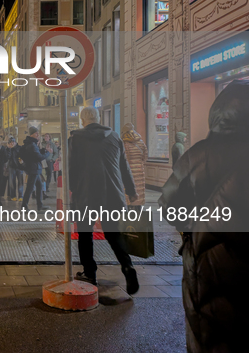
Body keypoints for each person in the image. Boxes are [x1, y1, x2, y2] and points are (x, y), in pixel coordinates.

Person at [159, 80, 249, 352]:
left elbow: (169, 205)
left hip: (208, 266)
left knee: (209, 333)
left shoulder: (197, 155)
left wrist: (193, 229)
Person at [69, 106, 139, 294]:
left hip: (87, 194)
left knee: (85, 233)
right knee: (113, 233)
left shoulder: (76, 138)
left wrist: (71, 190)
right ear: (99, 118)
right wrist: (131, 191)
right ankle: (127, 266)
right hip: (113, 194)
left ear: (83, 120)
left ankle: (90, 273)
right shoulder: (115, 136)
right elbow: (124, 167)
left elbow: (72, 168)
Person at [20, 127, 49, 211]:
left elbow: (36, 153)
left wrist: (43, 150)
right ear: (31, 134)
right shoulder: (32, 145)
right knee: (30, 187)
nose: (38, 135)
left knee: (38, 186)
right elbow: (38, 157)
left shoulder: (32, 144)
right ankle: (24, 206)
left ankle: (39, 205)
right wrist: (47, 153)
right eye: (36, 133)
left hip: (34, 168)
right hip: (33, 169)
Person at [121, 123, 148, 206]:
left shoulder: (124, 143)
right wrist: (139, 163)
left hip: (129, 170)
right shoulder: (140, 142)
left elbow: (122, 159)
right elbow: (145, 156)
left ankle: (129, 205)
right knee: (139, 189)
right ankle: (138, 206)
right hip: (139, 170)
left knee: (128, 188)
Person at [6, 136, 24, 202]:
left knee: (20, 182)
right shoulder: (8, 149)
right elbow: (8, 157)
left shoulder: (19, 148)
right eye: (11, 142)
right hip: (11, 167)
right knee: (12, 182)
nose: (12, 143)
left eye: (13, 142)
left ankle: (21, 196)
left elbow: (22, 155)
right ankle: (13, 196)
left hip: (19, 167)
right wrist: (9, 149)